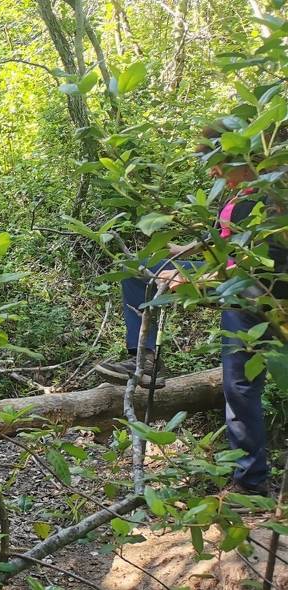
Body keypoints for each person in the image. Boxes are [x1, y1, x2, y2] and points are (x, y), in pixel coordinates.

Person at [95, 123, 284, 496]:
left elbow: (265, 261)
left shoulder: (272, 192)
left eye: (214, 163)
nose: (212, 172)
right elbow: (227, 242)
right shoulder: (241, 191)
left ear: (238, 156)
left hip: (259, 293)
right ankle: (143, 359)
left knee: (240, 387)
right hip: (232, 276)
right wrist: (185, 253)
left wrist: (199, 280)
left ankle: (251, 485)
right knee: (138, 273)